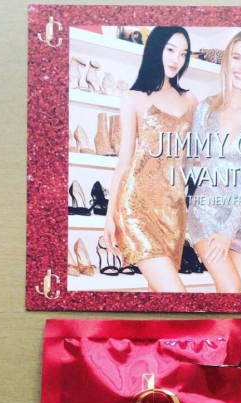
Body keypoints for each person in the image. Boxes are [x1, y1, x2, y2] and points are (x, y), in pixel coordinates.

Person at [103, 26, 197, 292]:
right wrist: (110, 216)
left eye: (183, 53)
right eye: (170, 50)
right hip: (137, 205)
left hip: (173, 209)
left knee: (161, 295)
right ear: (155, 48)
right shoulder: (133, 98)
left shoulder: (190, 100)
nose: (176, 59)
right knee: (176, 296)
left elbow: (194, 157)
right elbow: (124, 161)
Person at [186, 31, 241, 293]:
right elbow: (191, 162)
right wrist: (181, 206)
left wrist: (229, 230)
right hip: (206, 213)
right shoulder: (205, 108)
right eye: (236, 57)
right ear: (227, 61)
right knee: (231, 288)